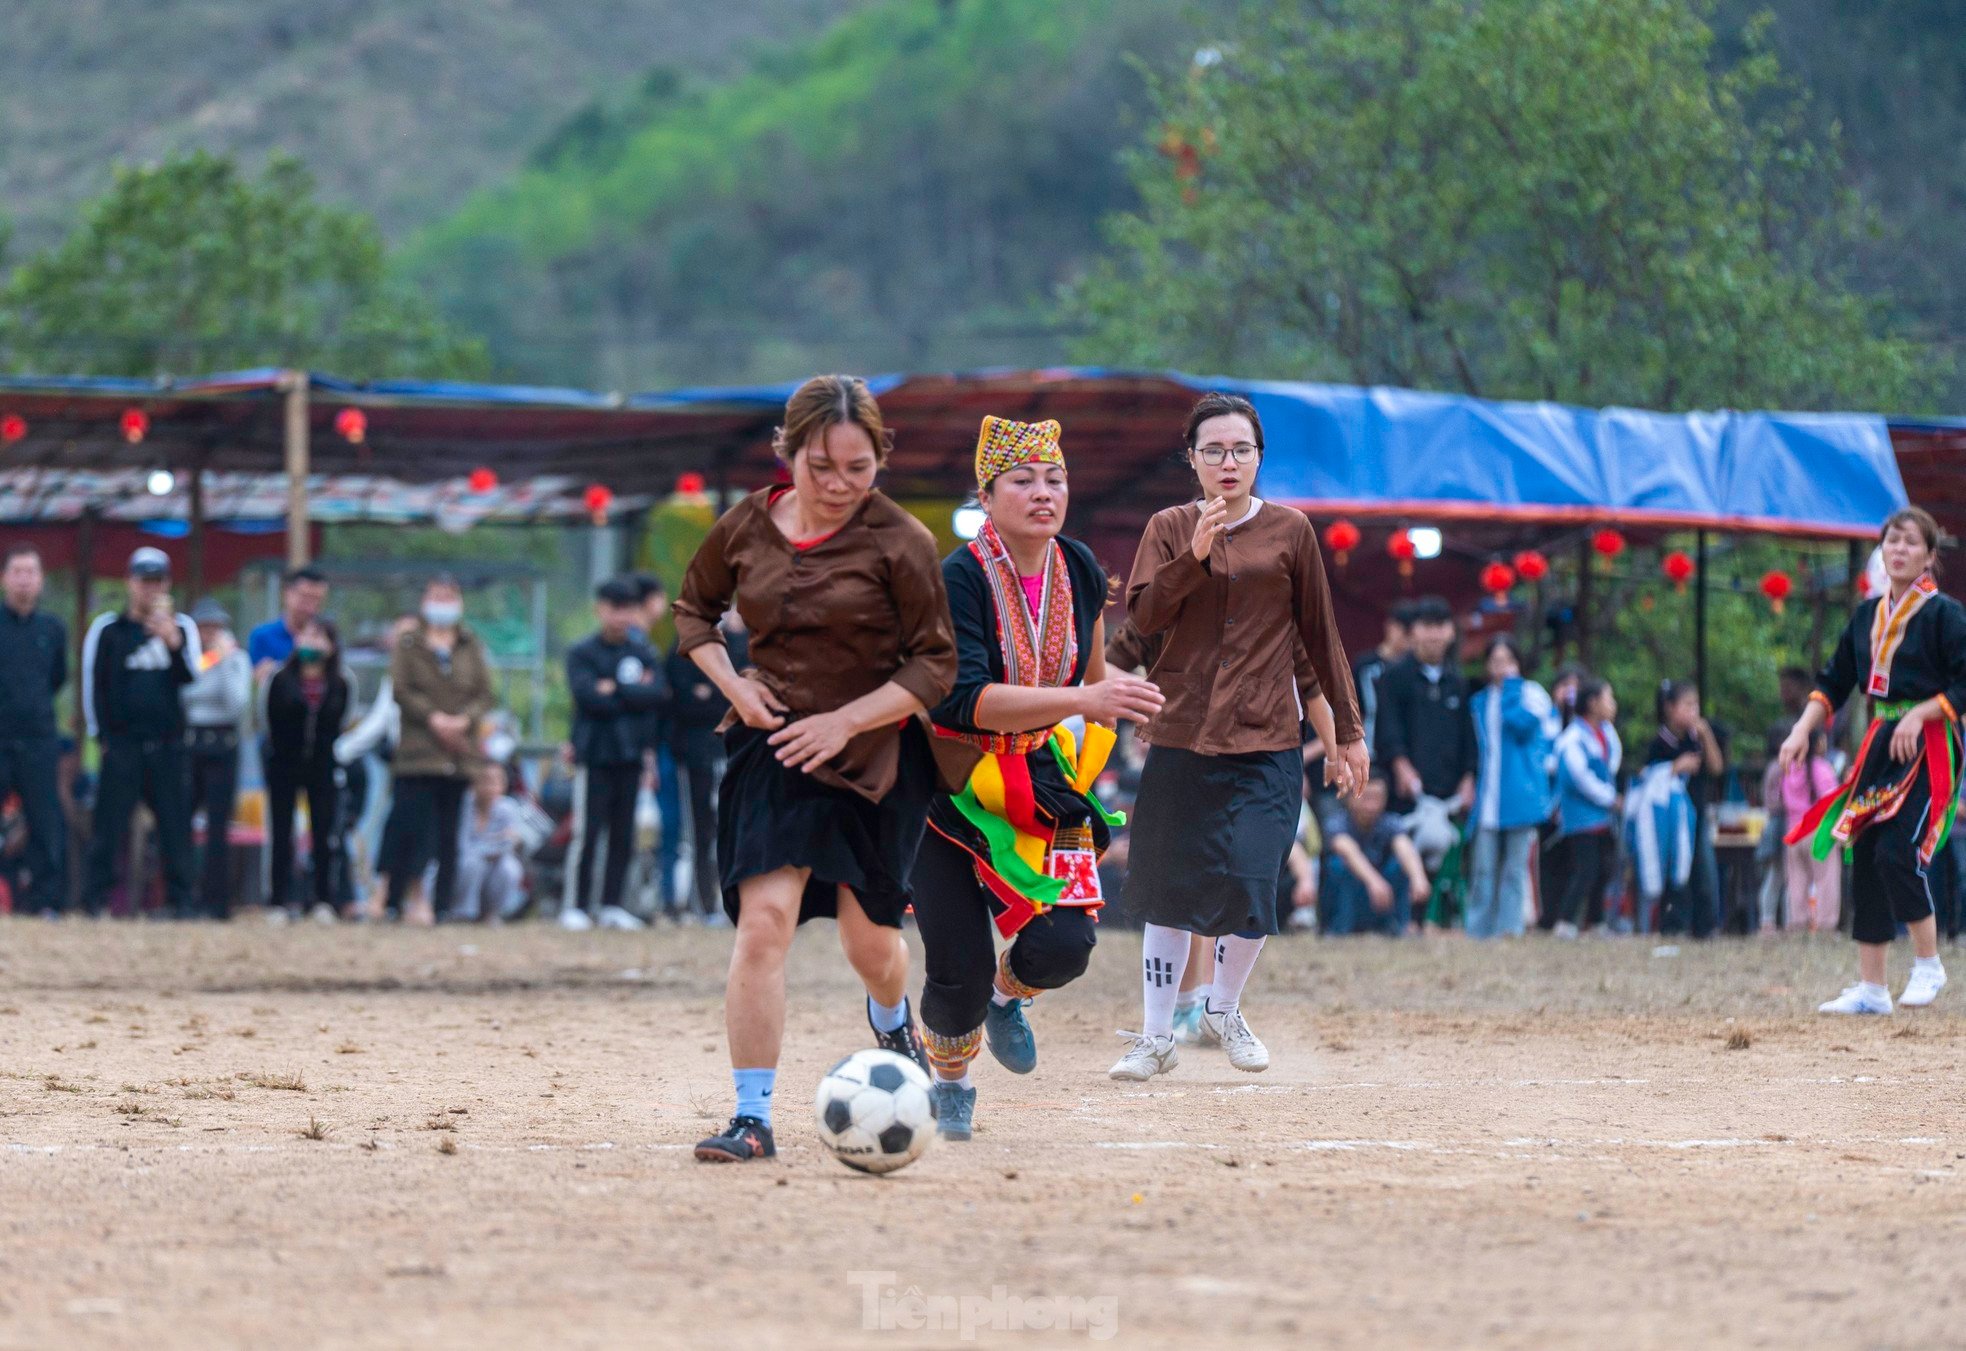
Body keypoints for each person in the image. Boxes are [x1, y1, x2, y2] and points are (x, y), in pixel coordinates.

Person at [672, 374, 956, 1163]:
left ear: (880, 460)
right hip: (775, 752)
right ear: (786, 453)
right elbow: (693, 610)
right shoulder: (746, 524)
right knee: (765, 924)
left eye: (857, 468)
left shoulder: (902, 540)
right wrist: (735, 684)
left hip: (875, 756)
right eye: (820, 466)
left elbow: (936, 665)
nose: (837, 485)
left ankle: (894, 1019)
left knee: (872, 944)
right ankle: (751, 1116)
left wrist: (845, 721)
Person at [910, 415, 1163, 1139]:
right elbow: (964, 700)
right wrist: (1086, 700)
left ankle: (1006, 994)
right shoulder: (956, 578)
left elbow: (1089, 672)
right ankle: (951, 1078)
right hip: (951, 781)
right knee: (951, 968)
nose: (1043, 492)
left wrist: (1124, 700)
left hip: (1040, 773)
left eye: (1055, 478)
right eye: (1023, 480)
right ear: (987, 497)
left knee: (1065, 945)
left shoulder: (1077, 565)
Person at [1112, 391, 1366, 1083]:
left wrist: (1347, 732)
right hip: (1182, 734)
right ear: (1191, 458)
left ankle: (1223, 1009)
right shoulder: (1167, 526)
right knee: (1165, 888)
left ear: (1259, 458)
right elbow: (1144, 616)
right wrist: (1193, 555)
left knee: (1254, 880)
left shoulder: (1291, 531)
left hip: (1266, 740)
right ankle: (1156, 1033)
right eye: (1214, 450)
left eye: (1242, 449)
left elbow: (1320, 636)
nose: (1229, 461)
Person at [1781, 507, 1966, 1014]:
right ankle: (1872, 989)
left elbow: (1963, 682)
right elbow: (1833, 681)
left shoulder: (1945, 615)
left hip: (1929, 745)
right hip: (1883, 743)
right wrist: (1802, 731)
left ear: (1930, 556)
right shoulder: (1867, 615)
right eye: (1891, 541)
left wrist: (1922, 713)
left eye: (1910, 542)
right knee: (1863, 850)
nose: (1899, 550)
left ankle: (1929, 963)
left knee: (1896, 851)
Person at [81, 548, 200, 917]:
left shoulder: (183, 628)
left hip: (167, 744)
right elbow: (92, 684)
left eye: (157, 581)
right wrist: (100, 737)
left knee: (175, 826)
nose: (150, 589)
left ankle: (181, 901)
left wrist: (173, 644)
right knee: (109, 825)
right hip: (122, 744)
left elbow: (191, 682)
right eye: (143, 581)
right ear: (130, 583)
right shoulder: (108, 630)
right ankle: (96, 900)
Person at [386, 576, 496, 925]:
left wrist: (463, 721)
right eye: (437, 595)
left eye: (450, 596)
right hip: (418, 753)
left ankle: (444, 905)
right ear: (424, 600)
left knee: (450, 836)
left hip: (459, 755)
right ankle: (394, 901)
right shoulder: (408, 644)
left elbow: (484, 693)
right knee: (410, 829)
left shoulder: (470, 643)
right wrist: (433, 719)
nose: (443, 602)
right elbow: (401, 690)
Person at [563, 577, 667, 931]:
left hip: (631, 755)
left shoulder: (643, 653)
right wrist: (630, 693)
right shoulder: (582, 653)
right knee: (589, 832)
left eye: (627, 609)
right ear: (600, 610)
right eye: (614, 608)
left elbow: (656, 695)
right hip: (595, 755)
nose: (621, 616)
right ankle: (576, 906)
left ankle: (611, 904)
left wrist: (615, 688)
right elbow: (589, 698)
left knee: (624, 833)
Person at [1466, 635, 1555, 939]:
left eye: (1507, 661)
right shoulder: (1479, 701)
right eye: (1495, 661)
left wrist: (1511, 690)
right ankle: (1479, 931)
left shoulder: (1532, 695)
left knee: (1515, 869)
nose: (1500, 667)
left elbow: (1521, 727)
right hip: (1488, 797)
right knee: (1483, 869)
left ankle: (1509, 930)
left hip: (1521, 796)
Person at [263, 618, 351, 921]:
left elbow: (340, 724)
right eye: (307, 635)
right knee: (282, 832)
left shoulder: (340, 682)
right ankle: (279, 899)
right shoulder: (280, 678)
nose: (312, 643)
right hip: (284, 764)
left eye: (319, 637)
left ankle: (323, 898)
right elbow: (269, 721)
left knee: (324, 832)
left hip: (322, 765)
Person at [0, 544, 69, 916]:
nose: (24, 580)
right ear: (4, 578)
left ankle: (46, 901)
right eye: (17, 572)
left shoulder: (53, 629)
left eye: (31, 573)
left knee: (45, 821)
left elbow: (57, 678)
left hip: (39, 739)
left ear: (41, 581)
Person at [665, 608, 744, 922]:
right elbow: (684, 699)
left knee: (734, 829)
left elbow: (741, 691)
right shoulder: (684, 649)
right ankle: (704, 904)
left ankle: (733, 902)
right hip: (695, 753)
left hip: (733, 751)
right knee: (699, 830)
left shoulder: (742, 644)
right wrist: (722, 693)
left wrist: (718, 691)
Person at [335, 615, 413, 920]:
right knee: (384, 829)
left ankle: (408, 898)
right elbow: (378, 722)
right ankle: (380, 895)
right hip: (394, 763)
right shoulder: (393, 676)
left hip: (429, 767)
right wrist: (340, 750)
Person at [1376, 595, 1477, 818]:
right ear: (1413, 631)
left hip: (1451, 794)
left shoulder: (1457, 681)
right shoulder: (1394, 676)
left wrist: (1469, 778)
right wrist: (1401, 766)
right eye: (1427, 626)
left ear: (1451, 631)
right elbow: (1387, 728)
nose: (1434, 634)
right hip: (1406, 795)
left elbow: (1468, 735)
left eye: (1440, 626)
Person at [182, 598, 250, 919]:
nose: (210, 634)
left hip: (223, 744)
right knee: (181, 822)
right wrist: (207, 668)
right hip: (192, 742)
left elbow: (236, 703)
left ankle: (217, 900)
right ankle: (184, 894)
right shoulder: (188, 659)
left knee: (218, 827)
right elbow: (185, 696)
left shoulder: (236, 660)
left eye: (215, 627)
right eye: (203, 627)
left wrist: (222, 663)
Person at [1646, 680, 1725, 938]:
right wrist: (1676, 767)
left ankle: (1706, 926)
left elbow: (1716, 768)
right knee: (1676, 869)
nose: (1694, 711)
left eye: (1696, 705)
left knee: (1704, 869)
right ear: (1669, 708)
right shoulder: (1660, 742)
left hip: (1698, 814)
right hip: (1671, 819)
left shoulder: (1698, 737)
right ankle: (1673, 925)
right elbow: (1647, 778)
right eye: (1687, 705)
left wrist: (1706, 735)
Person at [1549, 678, 1622, 937]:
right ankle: (1566, 921)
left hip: (1601, 816)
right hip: (1580, 816)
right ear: (1592, 703)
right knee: (1586, 869)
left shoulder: (1604, 733)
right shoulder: (1572, 739)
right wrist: (1609, 798)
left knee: (1603, 869)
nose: (1612, 705)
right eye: (1608, 699)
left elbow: (1611, 761)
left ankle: (1597, 921)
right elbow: (1579, 778)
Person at [1321, 773, 1430, 936]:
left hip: (1381, 901)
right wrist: (1374, 881)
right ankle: (1339, 930)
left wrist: (1418, 877)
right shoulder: (1337, 823)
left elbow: (1404, 845)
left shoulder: (1389, 822)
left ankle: (1399, 928)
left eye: (1378, 798)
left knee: (1400, 865)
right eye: (1366, 797)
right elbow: (1346, 848)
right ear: (1350, 798)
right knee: (1337, 865)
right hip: (1350, 898)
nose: (1372, 806)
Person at [1772, 729, 1842, 932]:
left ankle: (1798, 921)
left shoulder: (1788, 768)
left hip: (1793, 831)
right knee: (1825, 877)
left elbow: (1782, 799)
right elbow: (1832, 801)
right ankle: (1825, 923)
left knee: (1796, 879)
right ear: (1818, 743)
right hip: (1817, 830)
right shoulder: (1821, 768)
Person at [453, 760, 527, 921]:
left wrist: (499, 843)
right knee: (472, 864)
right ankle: (463, 912)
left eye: (496, 781)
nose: (491, 787)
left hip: (493, 865)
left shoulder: (508, 808)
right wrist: (495, 841)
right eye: (486, 781)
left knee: (510, 868)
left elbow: (512, 842)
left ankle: (492, 913)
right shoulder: (463, 805)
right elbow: (461, 846)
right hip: (465, 866)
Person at [1353, 601, 1416, 756]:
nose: (1408, 639)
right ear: (1391, 626)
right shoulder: (1365, 665)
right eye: (1405, 632)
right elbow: (1356, 709)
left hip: (1408, 751)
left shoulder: (1415, 669)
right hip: (1372, 749)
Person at [247, 565, 329, 678]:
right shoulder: (262, 636)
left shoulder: (326, 636)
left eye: (317, 600)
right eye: (305, 598)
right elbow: (256, 682)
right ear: (288, 593)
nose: (310, 608)